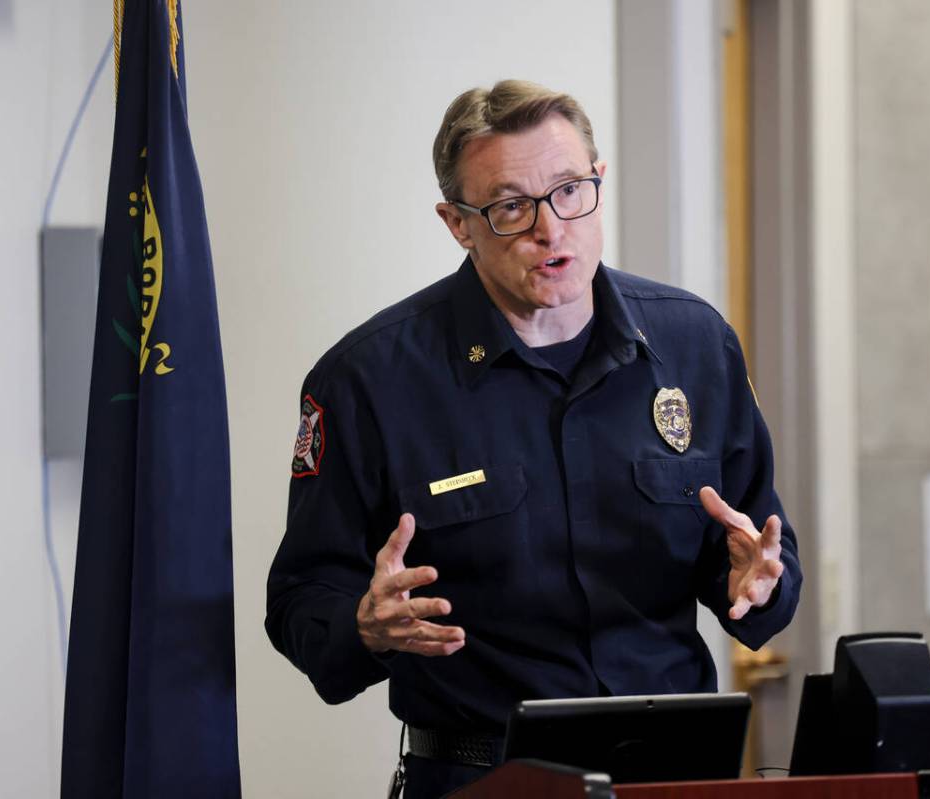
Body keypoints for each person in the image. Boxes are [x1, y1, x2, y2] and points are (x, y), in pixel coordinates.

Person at [266, 80, 801, 798]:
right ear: (458, 223)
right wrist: (364, 626)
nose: (551, 230)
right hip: (482, 776)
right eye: (512, 207)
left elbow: (758, 550)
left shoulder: (694, 343)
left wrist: (758, 585)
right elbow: (301, 596)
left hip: (675, 776)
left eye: (569, 191)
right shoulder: (369, 379)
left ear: (598, 185)